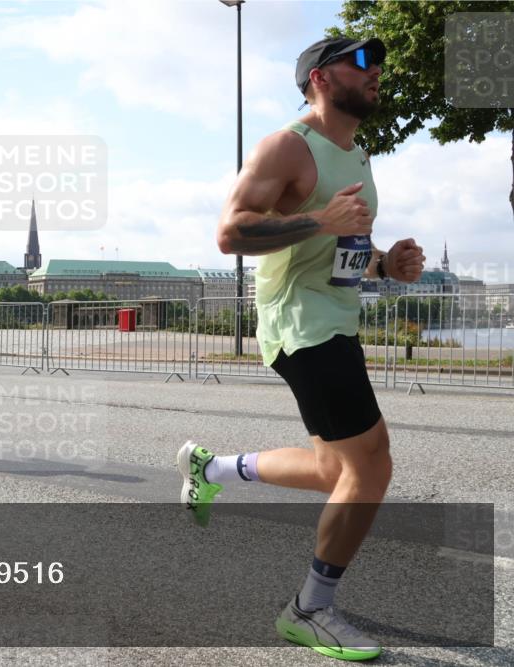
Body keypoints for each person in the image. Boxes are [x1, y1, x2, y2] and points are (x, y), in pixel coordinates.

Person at [177, 37, 425, 661]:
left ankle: (210, 470)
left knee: (332, 470)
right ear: (319, 78)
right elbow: (231, 232)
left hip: (335, 317)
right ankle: (308, 610)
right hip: (301, 325)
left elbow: (343, 251)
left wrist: (384, 264)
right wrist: (320, 221)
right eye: (362, 62)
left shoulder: (358, 155)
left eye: (379, 65)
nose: (376, 74)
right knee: (371, 465)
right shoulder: (287, 145)